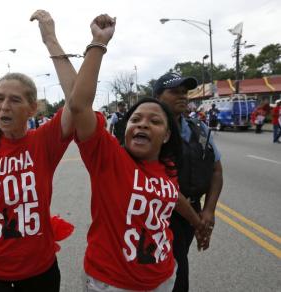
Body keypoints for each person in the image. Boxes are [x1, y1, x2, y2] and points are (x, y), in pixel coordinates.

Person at [67, 14, 205, 291]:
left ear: (166, 135)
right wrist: (98, 43)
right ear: (126, 127)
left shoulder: (167, 166)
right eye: (136, 119)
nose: (143, 124)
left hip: (163, 278)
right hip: (111, 283)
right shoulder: (108, 158)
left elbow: (171, 196)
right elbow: (79, 105)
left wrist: (197, 222)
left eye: (154, 121)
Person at [0, 10, 77, 292]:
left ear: (32, 108)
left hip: (39, 271)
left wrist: (51, 40)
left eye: (15, 100)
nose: (4, 106)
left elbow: (77, 99)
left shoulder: (44, 141)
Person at [153, 72, 223, 292]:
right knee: (177, 269)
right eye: (174, 92)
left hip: (193, 209)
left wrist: (208, 212)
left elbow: (216, 170)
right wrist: (198, 223)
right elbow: (162, 184)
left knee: (178, 262)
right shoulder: (149, 131)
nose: (182, 96)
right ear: (157, 98)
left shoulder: (200, 129)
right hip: (161, 214)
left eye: (185, 92)